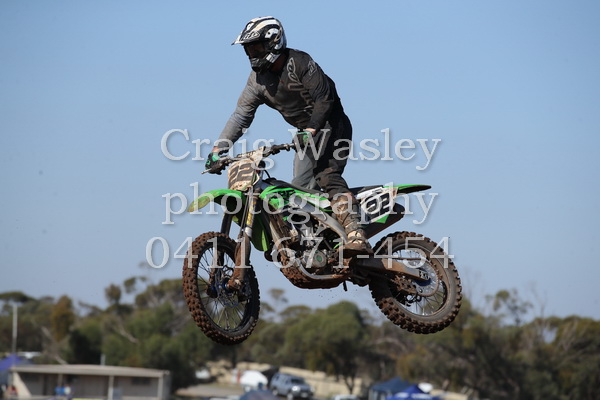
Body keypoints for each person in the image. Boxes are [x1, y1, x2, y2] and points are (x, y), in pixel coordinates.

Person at [205, 16, 370, 255]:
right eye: (248, 49)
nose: (252, 54)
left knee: (327, 175)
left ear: (274, 42)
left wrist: (311, 130)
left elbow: (324, 99)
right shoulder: (257, 82)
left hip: (332, 126)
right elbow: (241, 116)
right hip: (306, 135)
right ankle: (318, 244)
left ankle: (356, 234)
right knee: (299, 191)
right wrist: (217, 150)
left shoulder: (300, 63)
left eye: (257, 48)